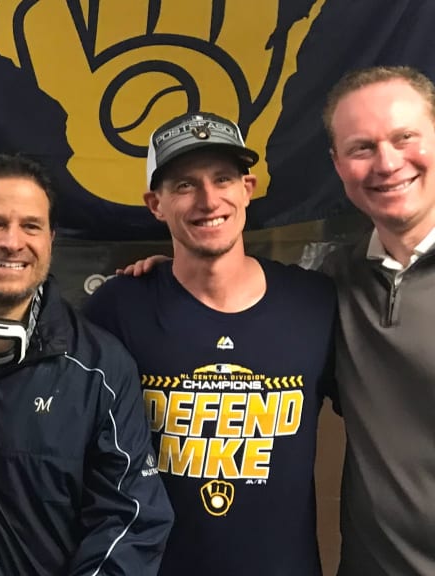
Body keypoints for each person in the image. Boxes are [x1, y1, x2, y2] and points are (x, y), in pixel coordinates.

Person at [81, 112, 337, 576]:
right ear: (154, 203)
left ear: (248, 188)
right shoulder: (118, 308)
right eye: (184, 185)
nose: (208, 199)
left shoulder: (315, 303)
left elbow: (390, 412)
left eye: (223, 179)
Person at [0, 152, 173, 575]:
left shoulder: (100, 367)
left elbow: (131, 518)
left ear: (49, 241)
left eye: (31, 226)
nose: (12, 242)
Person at [322, 65, 435, 576]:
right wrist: (186, 270)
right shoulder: (336, 280)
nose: (388, 163)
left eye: (405, 137)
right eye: (362, 147)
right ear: (338, 164)